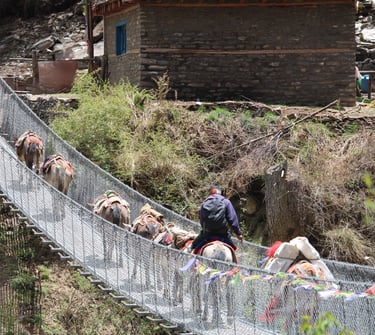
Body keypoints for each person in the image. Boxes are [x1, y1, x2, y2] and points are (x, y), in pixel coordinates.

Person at [190, 185, 243, 252]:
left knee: (194, 247)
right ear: (220, 193)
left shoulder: (205, 202)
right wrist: (238, 233)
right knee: (233, 251)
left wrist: (204, 229)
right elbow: (232, 219)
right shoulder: (226, 202)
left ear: (210, 193)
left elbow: (201, 219)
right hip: (223, 234)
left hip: (207, 233)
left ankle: (189, 255)